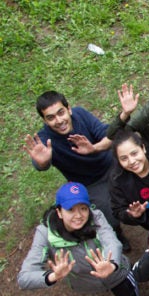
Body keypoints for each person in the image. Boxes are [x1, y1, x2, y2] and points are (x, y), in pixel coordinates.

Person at [18, 182, 149, 296]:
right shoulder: (45, 233)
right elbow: (24, 278)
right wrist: (52, 276)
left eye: (83, 208)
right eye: (70, 210)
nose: (78, 215)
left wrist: (111, 264)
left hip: (116, 274)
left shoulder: (96, 216)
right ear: (59, 212)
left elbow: (112, 242)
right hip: (86, 283)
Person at [23, 91, 129, 249]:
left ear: (69, 109)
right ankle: (117, 234)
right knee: (111, 217)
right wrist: (43, 163)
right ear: (45, 120)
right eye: (51, 117)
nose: (59, 121)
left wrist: (93, 148)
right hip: (91, 184)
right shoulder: (45, 139)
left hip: (112, 164)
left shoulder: (81, 115)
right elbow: (40, 164)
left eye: (61, 112)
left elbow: (108, 135)